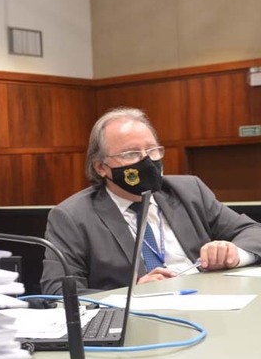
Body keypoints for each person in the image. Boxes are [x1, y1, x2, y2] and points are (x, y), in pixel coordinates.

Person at [41, 107, 261, 295]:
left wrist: (233, 254)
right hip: (136, 319)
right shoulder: (72, 216)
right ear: (101, 167)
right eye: (130, 153)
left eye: (152, 150)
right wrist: (133, 294)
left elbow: (253, 232)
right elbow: (57, 291)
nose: (146, 160)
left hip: (207, 303)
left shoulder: (189, 191)